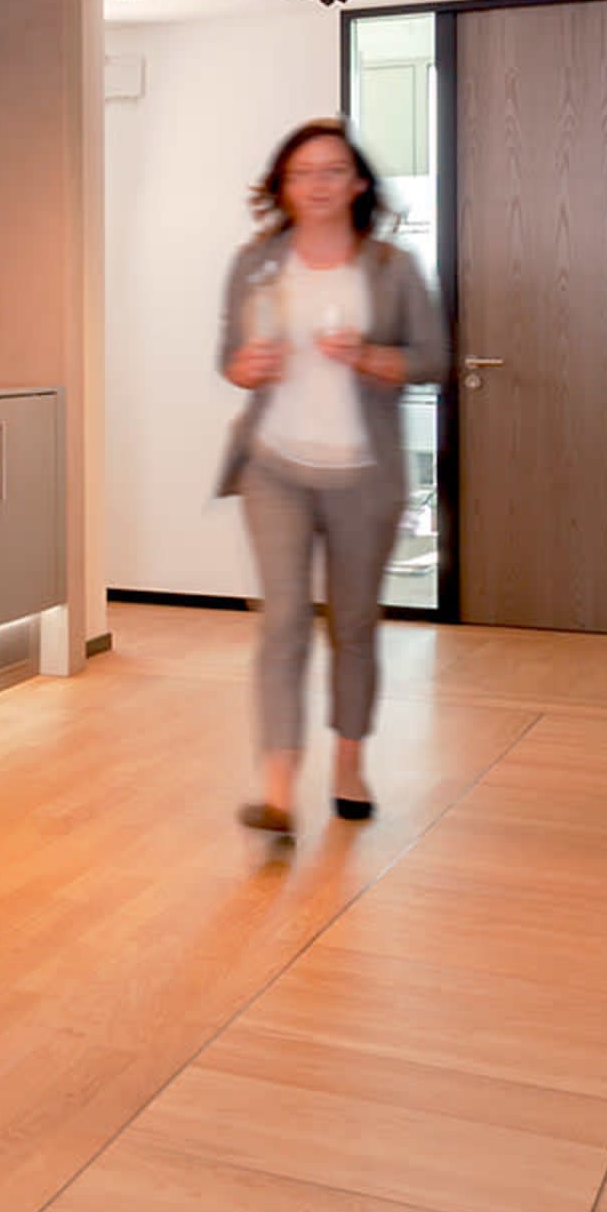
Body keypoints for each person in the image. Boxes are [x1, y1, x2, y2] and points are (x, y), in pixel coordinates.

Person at [215, 117, 443, 836]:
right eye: (301, 172)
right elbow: (231, 356)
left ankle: (348, 761)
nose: (316, 185)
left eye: (331, 171)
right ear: (283, 186)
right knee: (282, 619)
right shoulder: (254, 264)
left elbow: (433, 360)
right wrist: (243, 367)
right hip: (273, 467)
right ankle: (277, 786)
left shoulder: (391, 268)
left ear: (357, 184)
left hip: (363, 476)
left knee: (352, 625)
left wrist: (368, 356)